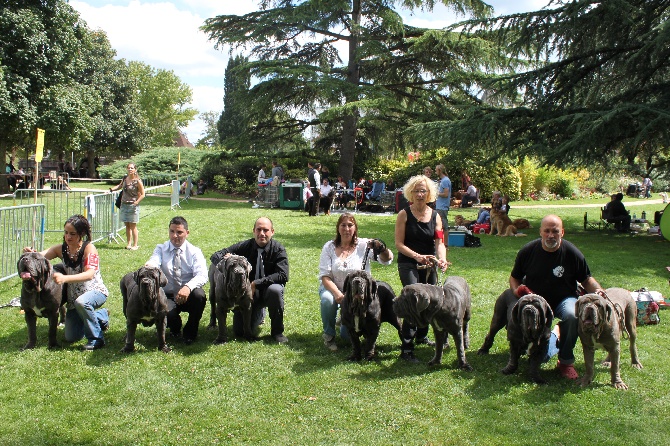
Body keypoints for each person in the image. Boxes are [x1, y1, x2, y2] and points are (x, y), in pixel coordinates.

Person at [510, 214, 605, 380]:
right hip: (536, 301)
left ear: (562, 232)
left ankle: (566, 361)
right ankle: (553, 336)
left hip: (564, 299)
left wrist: (599, 292)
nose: (550, 235)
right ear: (540, 232)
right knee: (541, 357)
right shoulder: (528, 251)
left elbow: (586, 279)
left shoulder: (572, 253)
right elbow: (514, 277)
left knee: (573, 315)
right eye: (547, 231)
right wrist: (517, 290)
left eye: (555, 231)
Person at [23, 215, 110, 350]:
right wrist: (32, 254)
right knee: (71, 337)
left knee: (83, 302)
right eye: (66, 232)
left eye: (72, 234)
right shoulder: (61, 249)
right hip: (74, 298)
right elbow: (41, 257)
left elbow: (89, 274)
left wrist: (65, 279)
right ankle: (101, 316)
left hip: (94, 291)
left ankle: (96, 339)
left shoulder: (89, 249)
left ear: (81, 234)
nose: (68, 237)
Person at [319, 213, 394, 351]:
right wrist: (338, 295)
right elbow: (325, 277)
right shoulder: (329, 247)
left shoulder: (364, 245)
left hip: (358, 291)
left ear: (355, 228)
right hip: (333, 288)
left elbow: (387, 260)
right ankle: (329, 336)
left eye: (350, 225)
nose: (346, 229)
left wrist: (382, 248)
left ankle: (349, 322)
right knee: (327, 300)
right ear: (338, 228)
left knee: (347, 337)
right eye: (343, 225)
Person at [394, 174, 449, 362]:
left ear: (429, 194)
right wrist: (417, 256)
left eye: (423, 191)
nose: (419, 194)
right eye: (416, 191)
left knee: (432, 301)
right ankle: (407, 348)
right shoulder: (404, 214)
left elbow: (440, 242)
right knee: (413, 300)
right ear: (411, 193)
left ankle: (422, 335)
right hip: (408, 263)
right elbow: (399, 244)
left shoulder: (436, 216)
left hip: (429, 264)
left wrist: (441, 259)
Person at [210, 217, 289, 343]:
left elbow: (283, 275)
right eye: (258, 230)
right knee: (239, 332)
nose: (261, 233)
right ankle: (258, 312)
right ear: (253, 231)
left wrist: (256, 283)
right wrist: (225, 261)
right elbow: (215, 256)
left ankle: (277, 332)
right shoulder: (244, 246)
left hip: (267, 290)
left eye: (266, 230)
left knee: (276, 290)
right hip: (246, 294)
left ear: (272, 232)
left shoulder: (278, 249)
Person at [146, 216, 208, 345]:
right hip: (167, 296)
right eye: (172, 231)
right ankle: (175, 327)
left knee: (199, 296)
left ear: (187, 233)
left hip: (188, 294)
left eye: (179, 232)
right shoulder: (160, 249)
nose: (175, 236)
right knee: (169, 315)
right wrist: (149, 266)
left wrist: (187, 287)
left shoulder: (195, 252)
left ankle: (190, 332)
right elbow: (154, 262)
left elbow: (202, 275)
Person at [110, 163, 145, 250]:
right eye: (129, 168)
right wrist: (111, 189)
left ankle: (135, 245)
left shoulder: (137, 181)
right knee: (127, 226)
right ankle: (128, 244)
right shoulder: (125, 178)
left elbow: (143, 194)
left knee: (133, 226)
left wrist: (136, 203)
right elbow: (120, 186)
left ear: (135, 170)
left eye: (132, 168)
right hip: (124, 205)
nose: (130, 169)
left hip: (132, 206)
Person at [435, 164, 451, 230]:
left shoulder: (445, 181)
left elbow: (446, 194)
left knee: (443, 226)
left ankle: (445, 240)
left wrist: (436, 193)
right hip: (440, 206)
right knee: (439, 225)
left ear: (440, 170)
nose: (435, 171)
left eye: (436, 170)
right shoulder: (443, 180)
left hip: (442, 206)